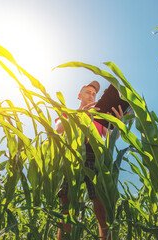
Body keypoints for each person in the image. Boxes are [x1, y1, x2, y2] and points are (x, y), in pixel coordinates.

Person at [55, 80, 124, 240]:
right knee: (67, 204)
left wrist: (117, 124)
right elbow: (58, 128)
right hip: (72, 154)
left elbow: (111, 135)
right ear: (80, 95)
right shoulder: (69, 113)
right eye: (88, 92)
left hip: (95, 155)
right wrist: (78, 115)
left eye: (94, 94)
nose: (92, 95)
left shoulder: (100, 115)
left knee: (101, 203)